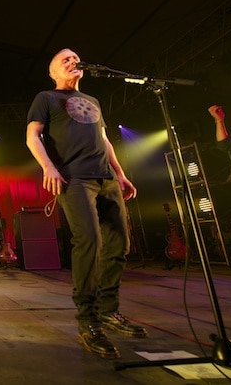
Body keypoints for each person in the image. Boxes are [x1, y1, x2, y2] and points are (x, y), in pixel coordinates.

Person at [25, 48, 147, 359]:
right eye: (64, 59)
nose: (72, 61)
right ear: (52, 72)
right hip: (75, 178)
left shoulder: (92, 101)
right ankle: (88, 320)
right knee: (89, 240)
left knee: (119, 244)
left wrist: (120, 174)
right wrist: (48, 167)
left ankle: (108, 310)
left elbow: (104, 139)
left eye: (74, 57)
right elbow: (32, 136)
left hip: (107, 178)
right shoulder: (46, 98)